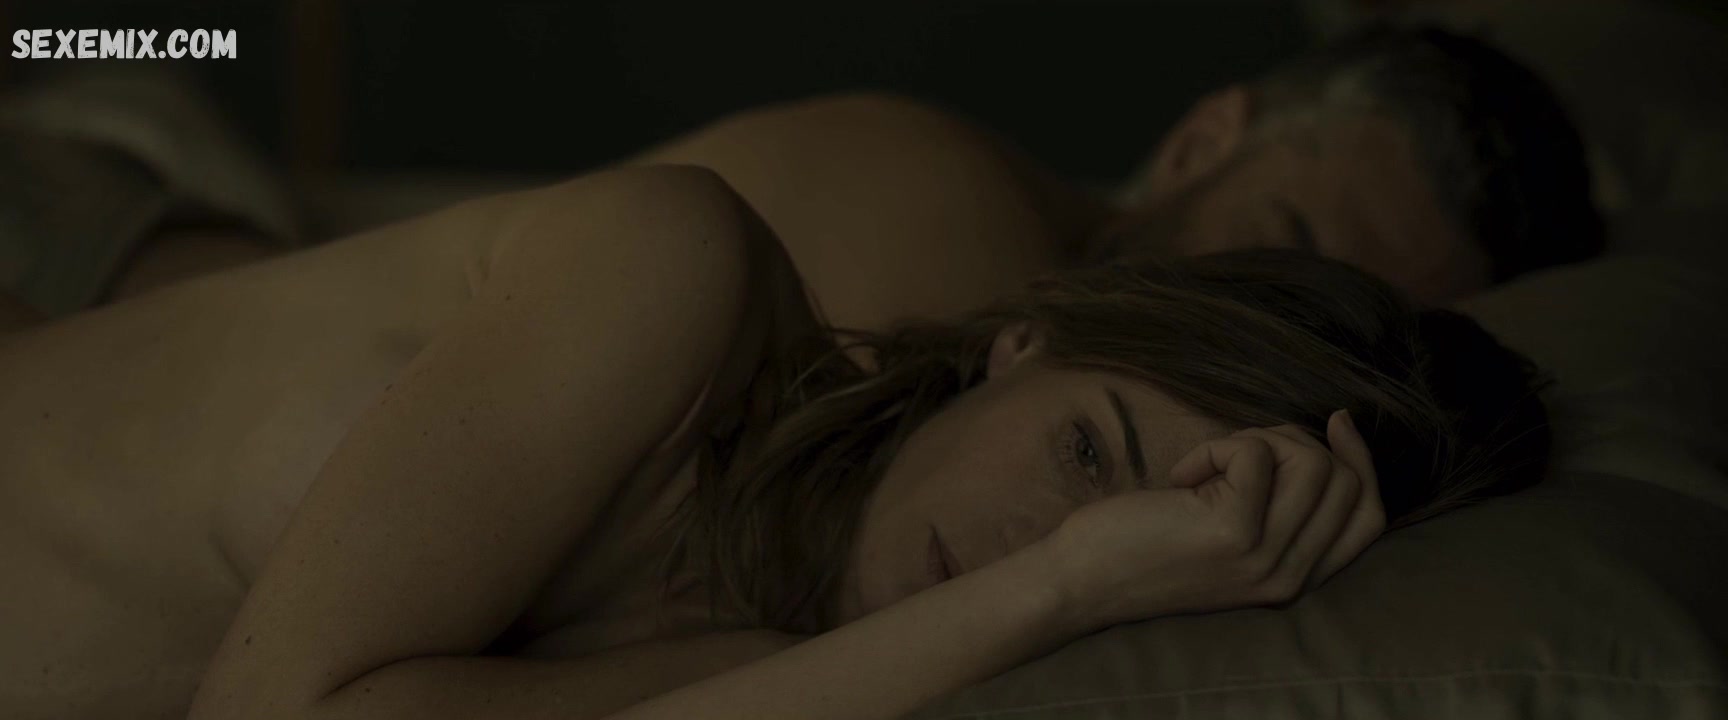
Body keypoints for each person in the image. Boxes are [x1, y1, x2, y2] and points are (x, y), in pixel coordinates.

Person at [1, 165, 1549, 719]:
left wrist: (1066, 593)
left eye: (1130, 539)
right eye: (1087, 454)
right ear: (1024, 342)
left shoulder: (790, 649)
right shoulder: (675, 273)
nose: (1044, 539)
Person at [632, 25, 1604, 330]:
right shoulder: (950, 207)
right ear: (1199, 145)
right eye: (1286, 252)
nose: (1286, 336)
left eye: (1351, 331)